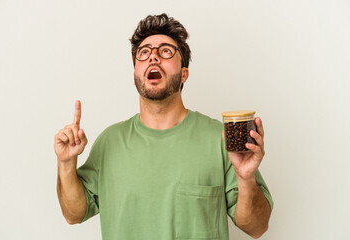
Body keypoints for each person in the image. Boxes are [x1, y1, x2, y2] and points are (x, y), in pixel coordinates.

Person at [54, 13, 273, 240]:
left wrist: (246, 178)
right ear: (136, 73)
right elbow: (74, 214)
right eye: (144, 52)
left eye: (166, 51)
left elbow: (257, 227)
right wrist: (66, 163)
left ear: (184, 74)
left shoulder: (219, 139)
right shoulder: (109, 142)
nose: (153, 57)